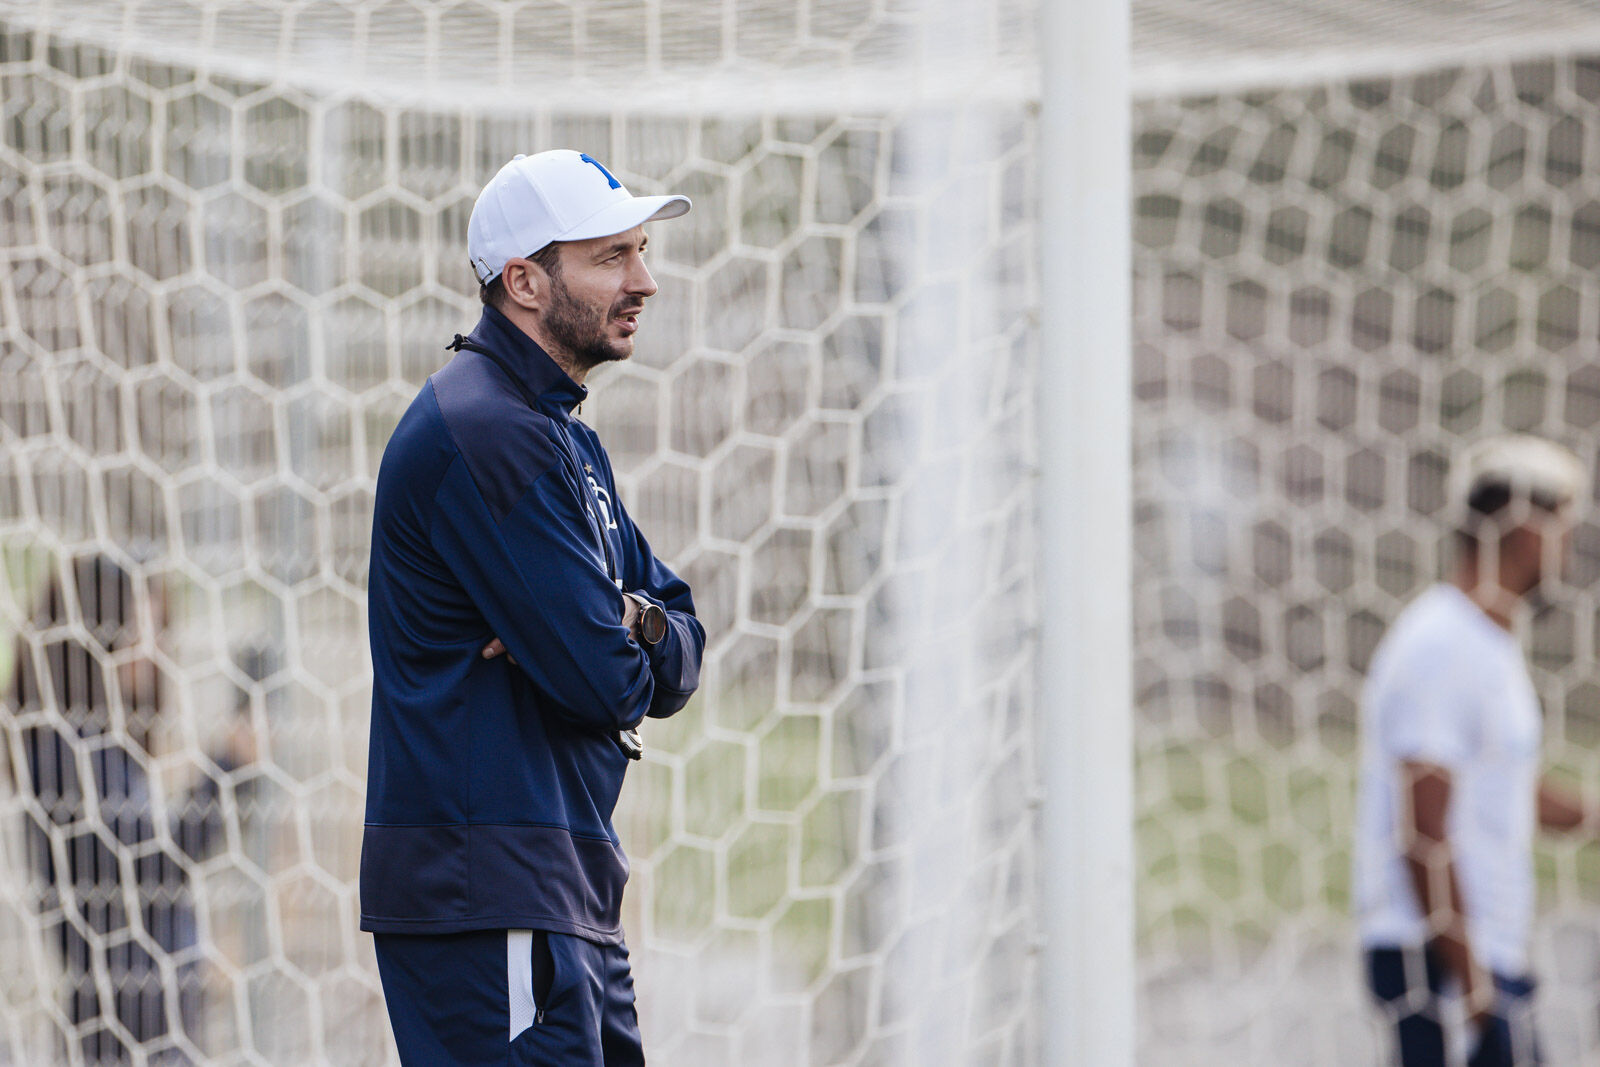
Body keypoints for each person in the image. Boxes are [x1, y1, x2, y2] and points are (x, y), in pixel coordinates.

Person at [360, 149, 705, 1066]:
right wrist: (618, 632)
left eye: (640, 251)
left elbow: (677, 644)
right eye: (611, 258)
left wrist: (623, 614)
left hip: (560, 890)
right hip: (492, 896)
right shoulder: (489, 430)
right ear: (523, 280)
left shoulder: (561, 437)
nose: (646, 281)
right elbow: (608, 687)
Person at [1355, 435, 1593, 1067]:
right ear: (1523, 526)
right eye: (1561, 527)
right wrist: (1474, 985)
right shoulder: (1440, 643)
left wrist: (1590, 816)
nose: (1565, 549)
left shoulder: (1492, 642)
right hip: (1437, 962)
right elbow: (1423, 828)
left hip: (1480, 957)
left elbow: (1503, 784)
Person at [5, 554, 255, 1064]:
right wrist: (227, 769)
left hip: (146, 1018)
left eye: (158, 628)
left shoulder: (102, 743)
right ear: (95, 631)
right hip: (120, 1028)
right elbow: (146, 865)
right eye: (140, 628)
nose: (152, 648)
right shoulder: (62, 747)